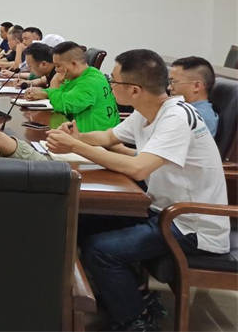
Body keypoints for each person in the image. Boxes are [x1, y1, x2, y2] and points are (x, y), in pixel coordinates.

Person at [45, 49, 229, 331]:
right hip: (162, 210)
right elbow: (108, 136)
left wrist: (77, 147)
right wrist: (79, 136)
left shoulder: (176, 118)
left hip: (190, 224)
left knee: (101, 250)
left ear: (133, 90)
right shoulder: (147, 112)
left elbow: (138, 169)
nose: (109, 84)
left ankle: (135, 320)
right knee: (82, 221)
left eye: (113, 80)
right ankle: (127, 296)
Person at [24, 41, 119, 132]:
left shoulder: (90, 81)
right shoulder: (81, 75)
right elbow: (63, 93)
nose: (56, 70)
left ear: (74, 64)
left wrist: (54, 82)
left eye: (58, 66)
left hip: (96, 137)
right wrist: (44, 93)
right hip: (82, 133)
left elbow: (66, 105)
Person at [169, 56, 219, 136]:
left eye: (174, 82)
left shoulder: (200, 118)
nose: (169, 88)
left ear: (196, 86)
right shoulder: (181, 110)